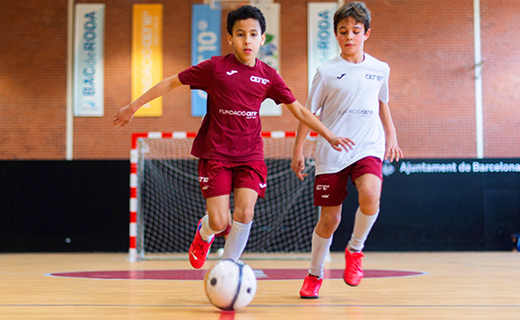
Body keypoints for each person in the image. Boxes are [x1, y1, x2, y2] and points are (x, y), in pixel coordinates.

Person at [114, 5, 353, 269]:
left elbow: (299, 110)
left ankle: (229, 267)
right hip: (215, 153)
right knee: (219, 222)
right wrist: (133, 106)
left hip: (250, 155)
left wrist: (328, 135)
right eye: (240, 34)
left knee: (245, 212)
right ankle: (204, 234)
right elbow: (171, 82)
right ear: (230, 38)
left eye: (253, 34)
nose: (247, 40)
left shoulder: (268, 76)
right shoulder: (215, 68)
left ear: (262, 38)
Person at [290, 1, 403, 299]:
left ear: (366, 33)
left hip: (368, 145)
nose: (349, 36)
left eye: (355, 30)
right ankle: (314, 274)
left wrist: (391, 134)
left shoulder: (380, 69)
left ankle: (355, 249)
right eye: (343, 31)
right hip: (332, 152)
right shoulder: (326, 72)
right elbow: (308, 113)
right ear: (336, 35)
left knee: (370, 194)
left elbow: (382, 103)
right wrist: (298, 150)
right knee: (330, 220)